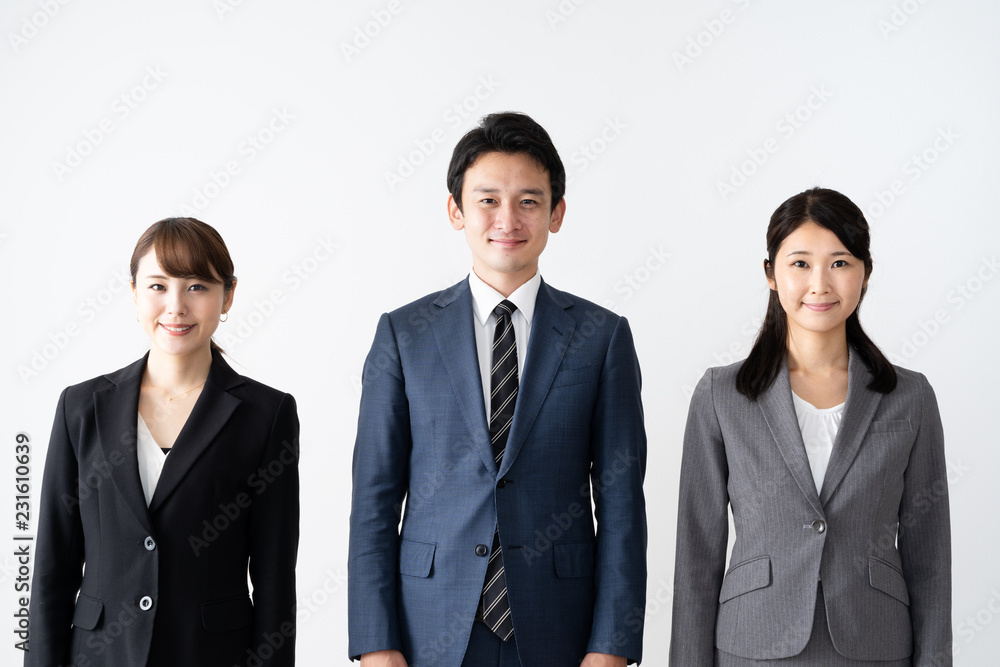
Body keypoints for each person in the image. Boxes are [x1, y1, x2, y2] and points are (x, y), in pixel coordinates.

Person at [348, 112, 647, 666]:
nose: (507, 218)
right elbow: (373, 499)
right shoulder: (403, 334)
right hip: (427, 626)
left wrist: (612, 647)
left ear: (556, 213)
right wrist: (375, 643)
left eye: (529, 201)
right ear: (455, 210)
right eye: (487, 199)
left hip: (560, 627)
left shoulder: (601, 338)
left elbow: (623, 503)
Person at [670, 187, 952, 665]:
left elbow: (930, 557)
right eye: (800, 263)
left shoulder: (911, 397)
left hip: (875, 642)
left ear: (864, 274)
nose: (820, 283)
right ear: (771, 275)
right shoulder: (721, 395)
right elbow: (697, 555)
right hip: (752, 641)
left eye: (840, 263)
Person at [27, 218, 299, 667]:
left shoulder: (266, 414)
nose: (175, 307)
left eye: (196, 287)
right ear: (134, 293)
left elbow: (274, 580)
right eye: (158, 286)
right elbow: (52, 570)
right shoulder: (82, 408)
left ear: (227, 295)